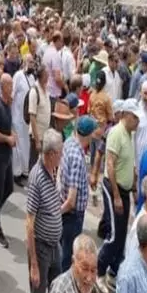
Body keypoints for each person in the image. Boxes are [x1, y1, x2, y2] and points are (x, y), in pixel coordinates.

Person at [24, 131, 64, 293]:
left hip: (54, 246)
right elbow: (29, 224)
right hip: (40, 249)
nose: (61, 157)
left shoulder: (52, 170)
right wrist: (34, 266)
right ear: (49, 154)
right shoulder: (37, 176)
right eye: (59, 154)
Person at [98, 98, 139, 293]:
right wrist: (115, 195)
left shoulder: (129, 135)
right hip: (113, 188)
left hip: (124, 190)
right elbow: (110, 165)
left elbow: (129, 164)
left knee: (122, 236)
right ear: (128, 116)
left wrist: (134, 187)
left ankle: (113, 272)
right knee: (114, 236)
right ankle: (98, 271)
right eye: (136, 118)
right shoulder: (116, 133)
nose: (138, 123)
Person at [60, 115, 95, 273]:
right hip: (71, 216)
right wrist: (55, 213)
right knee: (67, 258)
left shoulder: (69, 142)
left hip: (67, 213)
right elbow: (71, 200)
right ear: (89, 135)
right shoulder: (77, 158)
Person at [0, 74, 18, 248]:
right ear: (3, 87)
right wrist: (7, 139)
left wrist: (11, 136)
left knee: (9, 188)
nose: (12, 88)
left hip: (7, 155)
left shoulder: (8, 104)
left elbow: (9, 126)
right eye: (10, 85)